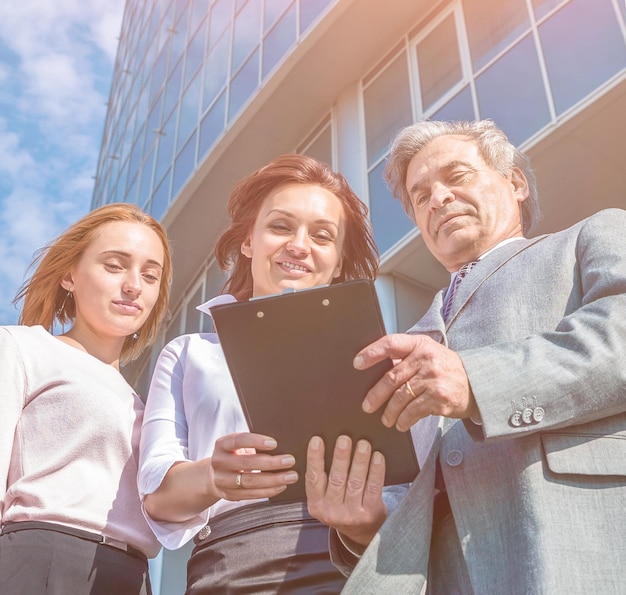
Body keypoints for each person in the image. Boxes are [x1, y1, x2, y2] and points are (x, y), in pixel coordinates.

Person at [305, 119, 626, 594]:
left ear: (515, 182)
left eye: (456, 177)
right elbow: (406, 490)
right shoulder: (402, 343)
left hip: (576, 547)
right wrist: (364, 526)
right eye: (421, 196)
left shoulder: (590, 236)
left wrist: (476, 381)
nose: (437, 199)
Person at [137, 153, 379, 593]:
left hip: (358, 563)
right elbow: (157, 497)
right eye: (281, 227)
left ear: (340, 261)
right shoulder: (190, 352)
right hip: (233, 566)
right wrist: (214, 475)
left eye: (322, 236)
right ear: (248, 240)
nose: (300, 245)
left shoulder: (374, 354)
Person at [0, 203, 172, 595]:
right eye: (115, 266)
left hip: (133, 574)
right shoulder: (23, 346)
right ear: (69, 275)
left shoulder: (144, 405)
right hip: (40, 559)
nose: (134, 285)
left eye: (150, 275)